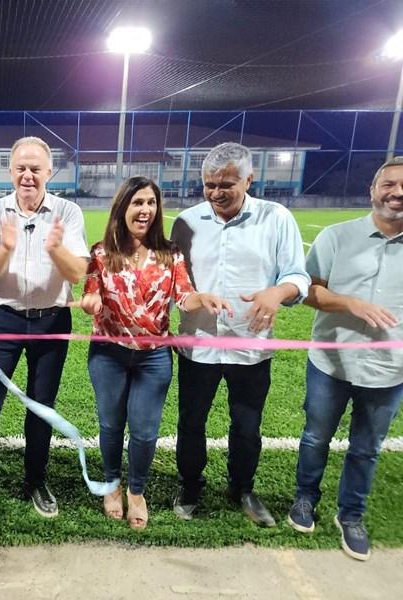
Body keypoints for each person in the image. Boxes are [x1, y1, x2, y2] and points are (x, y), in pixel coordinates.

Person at [79, 176, 231, 530]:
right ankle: (112, 485)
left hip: (154, 357)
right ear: (123, 208)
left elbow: (184, 296)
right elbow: (91, 294)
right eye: (137, 202)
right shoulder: (101, 253)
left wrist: (202, 298)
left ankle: (136, 491)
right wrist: (91, 302)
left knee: (145, 432)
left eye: (151, 203)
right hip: (108, 354)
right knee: (110, 425)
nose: (145, 209)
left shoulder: (170, 253)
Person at [170, 142, 309, 527]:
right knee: (191, 422)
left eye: (226, 184)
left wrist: (277, 293)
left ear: (249, 179)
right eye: (209, 184)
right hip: (198, 345)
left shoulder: (276, 218)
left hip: (250, 345)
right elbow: (176, 281)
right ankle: (190, 485)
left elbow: (298, 276)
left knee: (247, 426)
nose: (216, 192)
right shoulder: (186, 222)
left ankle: (242, 488)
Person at [0, 136, 89, 518]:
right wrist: (6, 247)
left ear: (49, 172)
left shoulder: (67, 212)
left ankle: (36, 479)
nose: (28, 175)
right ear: (11, 171)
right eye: (21, 168)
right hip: (3, 318)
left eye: (35, 169)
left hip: (51, 321)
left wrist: (55, 249)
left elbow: (77, 273)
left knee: (41, 406)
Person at [287, 156, 403, 561]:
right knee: (315, 437)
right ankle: (305, 499)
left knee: (366, 448)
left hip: (389, 370)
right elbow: (308, 291)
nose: (397, 193)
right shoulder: (337, 236)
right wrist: (350, 303)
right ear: (373, 190)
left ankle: (351, 514)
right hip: (331, 362)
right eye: (389, 184)